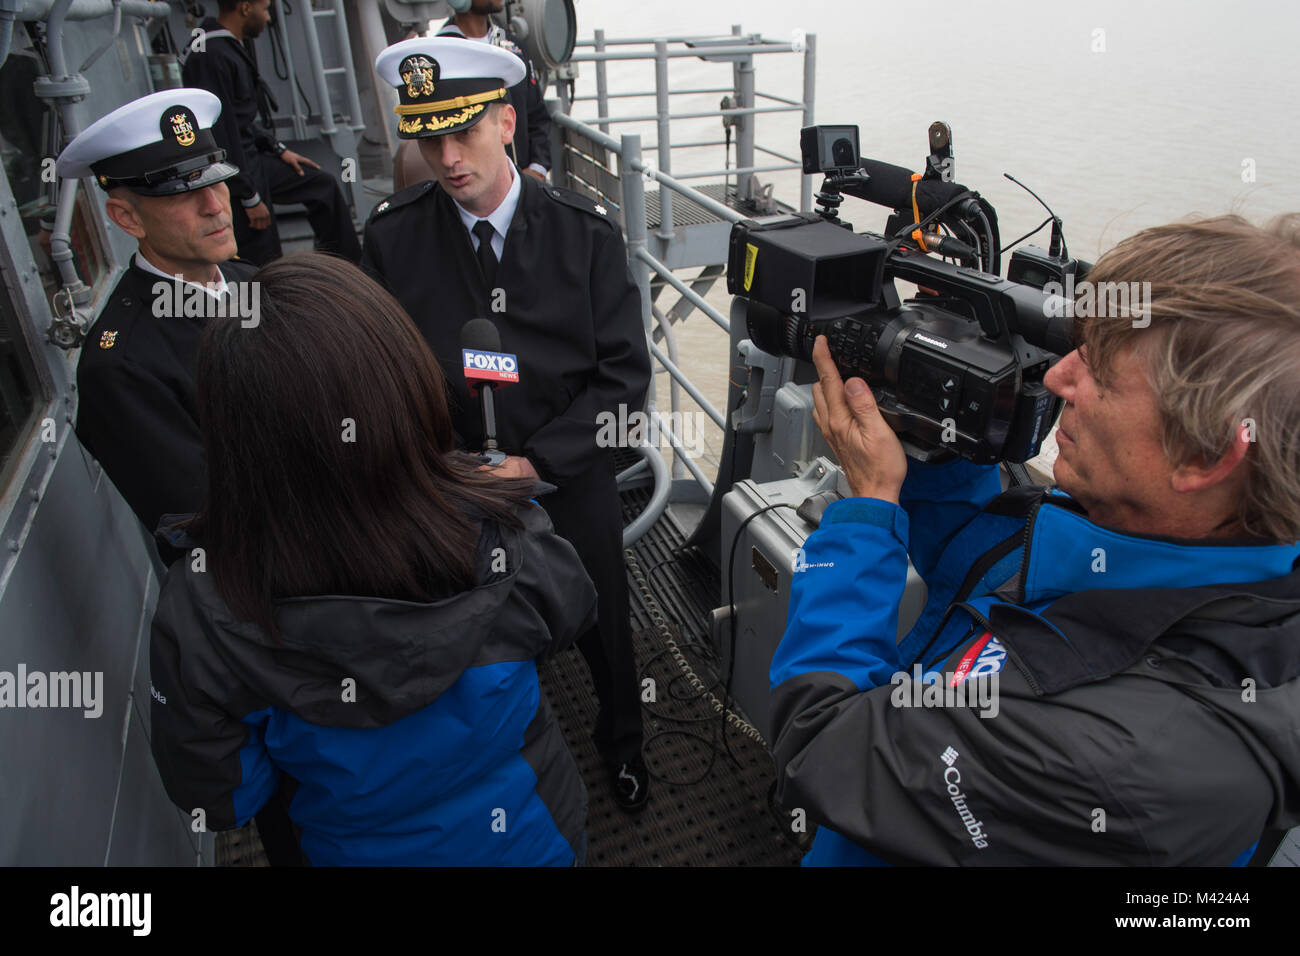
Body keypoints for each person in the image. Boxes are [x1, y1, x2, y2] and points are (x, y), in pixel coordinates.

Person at [769, 213, 1300, 865]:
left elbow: (819, 746)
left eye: (1099, 371)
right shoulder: (1165, 549)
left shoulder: (1115, 757)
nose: (1056, 379)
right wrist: (945, 444)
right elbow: (984, 569)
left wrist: (867, 510)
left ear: (1204, 453)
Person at [148, 253, 595, 866]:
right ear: (402, 383)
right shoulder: (508, 529)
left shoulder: (202, 607)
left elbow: (225, 798)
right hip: (532, 839)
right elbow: (570, 613)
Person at [361, 37, 653, 811]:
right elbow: (382, 373)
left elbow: (624, 384)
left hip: (562, 474)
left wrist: (536, 465)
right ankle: (491, 759)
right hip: (450, 485)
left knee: (604, 621)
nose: (448, 159)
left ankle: (622, 741)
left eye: (463, 133)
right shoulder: (393, 239)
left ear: (506, 121)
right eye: (430, 140)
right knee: (459, 631)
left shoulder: (583, 236)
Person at [57, 89, 253, 550]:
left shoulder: (252, 280)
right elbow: (210, 529)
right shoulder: (122, 368)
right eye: (183, 192)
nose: (214, 206)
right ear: (128, 218)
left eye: (214, 180)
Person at [180, 0, 362, 265]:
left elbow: (241, 122)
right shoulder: (211, 56)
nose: (267, 18)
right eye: (264, 9)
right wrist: (249, 197)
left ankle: (347, 269)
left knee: (322, 185)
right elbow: (220, 135)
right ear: (244, 8)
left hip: (253, 158)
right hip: (237, 173)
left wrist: (280, 150)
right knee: (263, 253)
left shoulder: (226, 48)